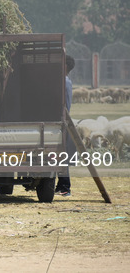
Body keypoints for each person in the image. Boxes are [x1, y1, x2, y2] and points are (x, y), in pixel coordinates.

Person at [55, 55, 75, 197]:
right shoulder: (61, 81)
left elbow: (66, 105)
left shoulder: (65, 82)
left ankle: (65, 186)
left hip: (62, 123)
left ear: (66, 66)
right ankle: (61, 185)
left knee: (62, 155)